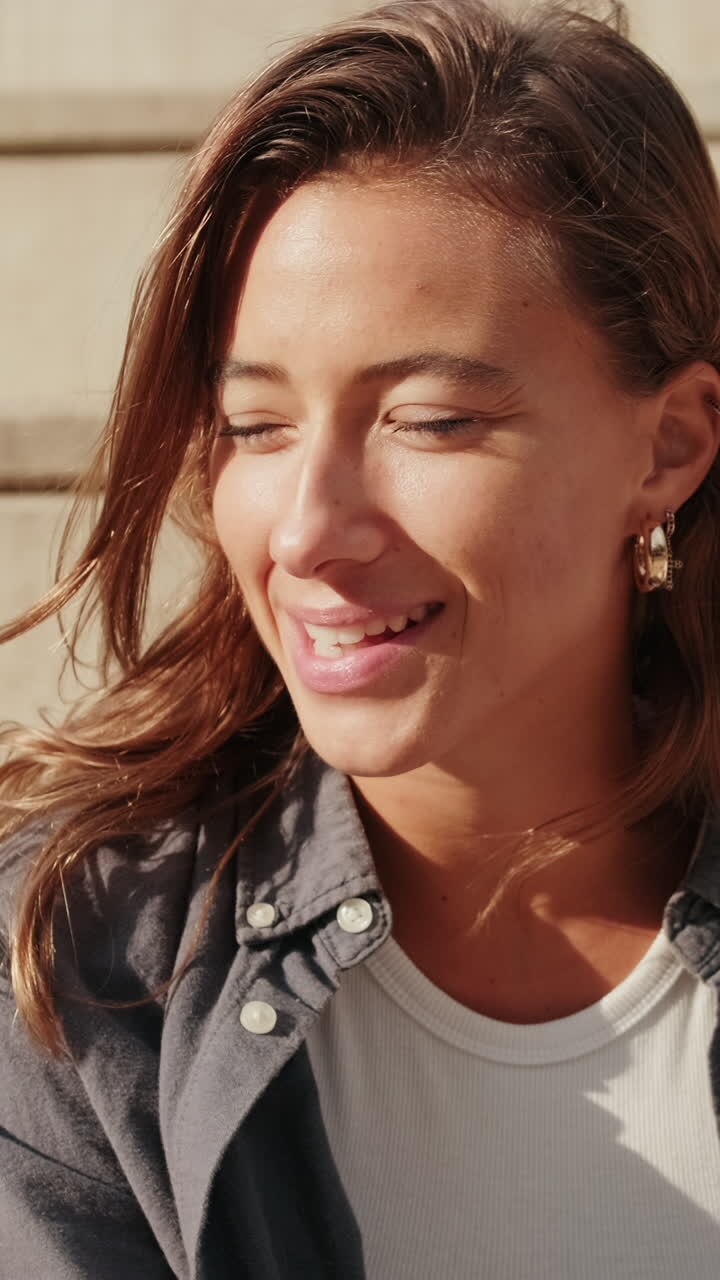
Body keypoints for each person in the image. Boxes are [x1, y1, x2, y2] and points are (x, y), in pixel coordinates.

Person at [1, 0, 720, 1274]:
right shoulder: (84, 971)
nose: (308, 530)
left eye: (430, 420)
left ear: (668, 447)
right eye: (257, 426)